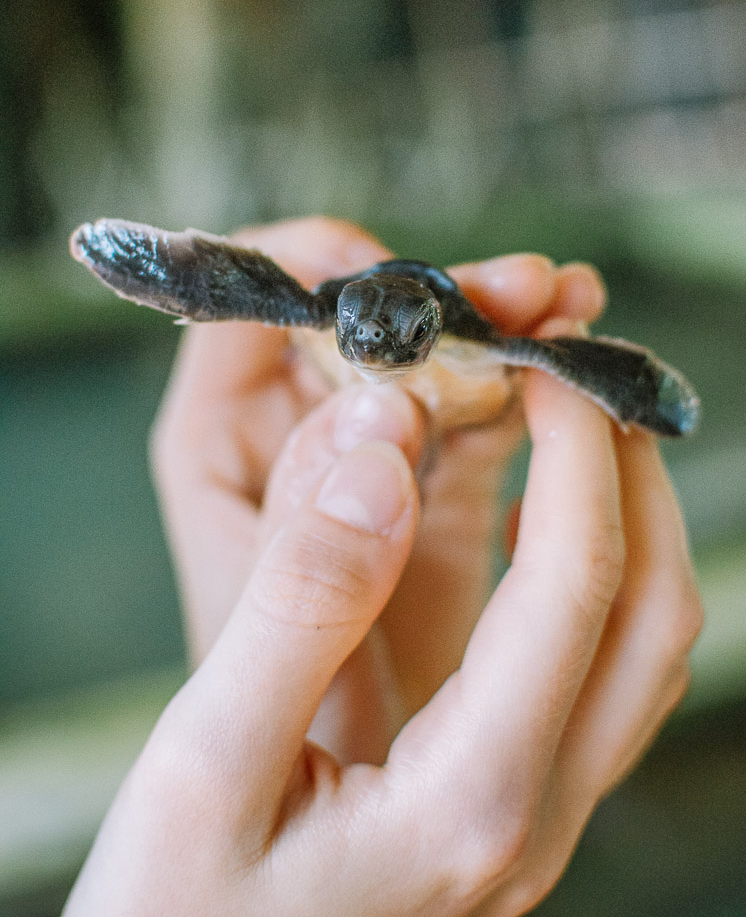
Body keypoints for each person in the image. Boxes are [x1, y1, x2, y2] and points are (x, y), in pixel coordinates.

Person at [63, 217, 703, 916]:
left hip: (433, 418)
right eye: (356, 331)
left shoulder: (453, 337)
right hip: (395, 418)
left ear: (430, 327)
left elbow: (531, 353)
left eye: (404, 336)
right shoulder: (326, 316)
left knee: (561, 357)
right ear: (338, 322)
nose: (375, 349)